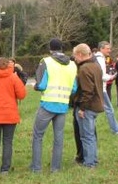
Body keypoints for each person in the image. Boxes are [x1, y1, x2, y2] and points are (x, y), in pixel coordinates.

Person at [30, 39, 78, 173]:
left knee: (38, 136)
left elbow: (41, 85)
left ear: (50, 49)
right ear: (62, 48)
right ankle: (55, 168)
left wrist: (36, 87)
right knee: (59, 138)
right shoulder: (73, 65)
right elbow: (74, 88)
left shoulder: (46, 62)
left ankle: (36, 168)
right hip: (63, 105)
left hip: (47, 104)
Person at [0, 57, 27, 175]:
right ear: (9, 65)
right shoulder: (13, 77)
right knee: (8, 142)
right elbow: (22, 94)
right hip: (10, 114)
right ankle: (5, 169)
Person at [72, 43, 105, 168]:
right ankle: (93, 159)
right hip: (96, 104)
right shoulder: (95, 66)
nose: (75, 58)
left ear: (80, 54)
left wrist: (82, 108)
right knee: (90, 135)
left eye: (75, 55)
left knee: (86, 136)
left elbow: (87, 91)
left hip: (88, 106)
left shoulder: (84, 69)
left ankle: (89, 162)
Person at [94, 41, 118, 135]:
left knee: (94, 110)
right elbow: (100, 75)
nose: (110, 50)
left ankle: (88, 129)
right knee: (109, 109)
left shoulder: (97, 58)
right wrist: (111, 77)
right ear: (101, 48)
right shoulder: (100, 59)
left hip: (98, 88)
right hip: (101, 88)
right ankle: (116, 130)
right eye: (107, 48)